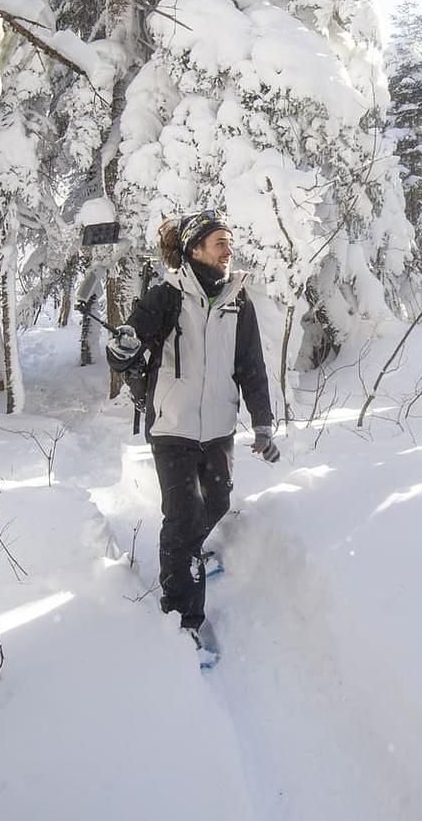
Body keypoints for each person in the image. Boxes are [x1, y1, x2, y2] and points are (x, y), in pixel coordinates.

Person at [106, 208, 279, 664]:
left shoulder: (239, 300)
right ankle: (183, 621)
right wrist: (120, 349)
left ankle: (186, 560)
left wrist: (262, 423)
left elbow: (251, 366)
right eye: (219, 241)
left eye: (229, 241)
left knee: (215, 504)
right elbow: (127, 345)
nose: (228, 250)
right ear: (195, 248)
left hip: (218, 428)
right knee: (183, 520)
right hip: (173, 428)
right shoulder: (165, 297)